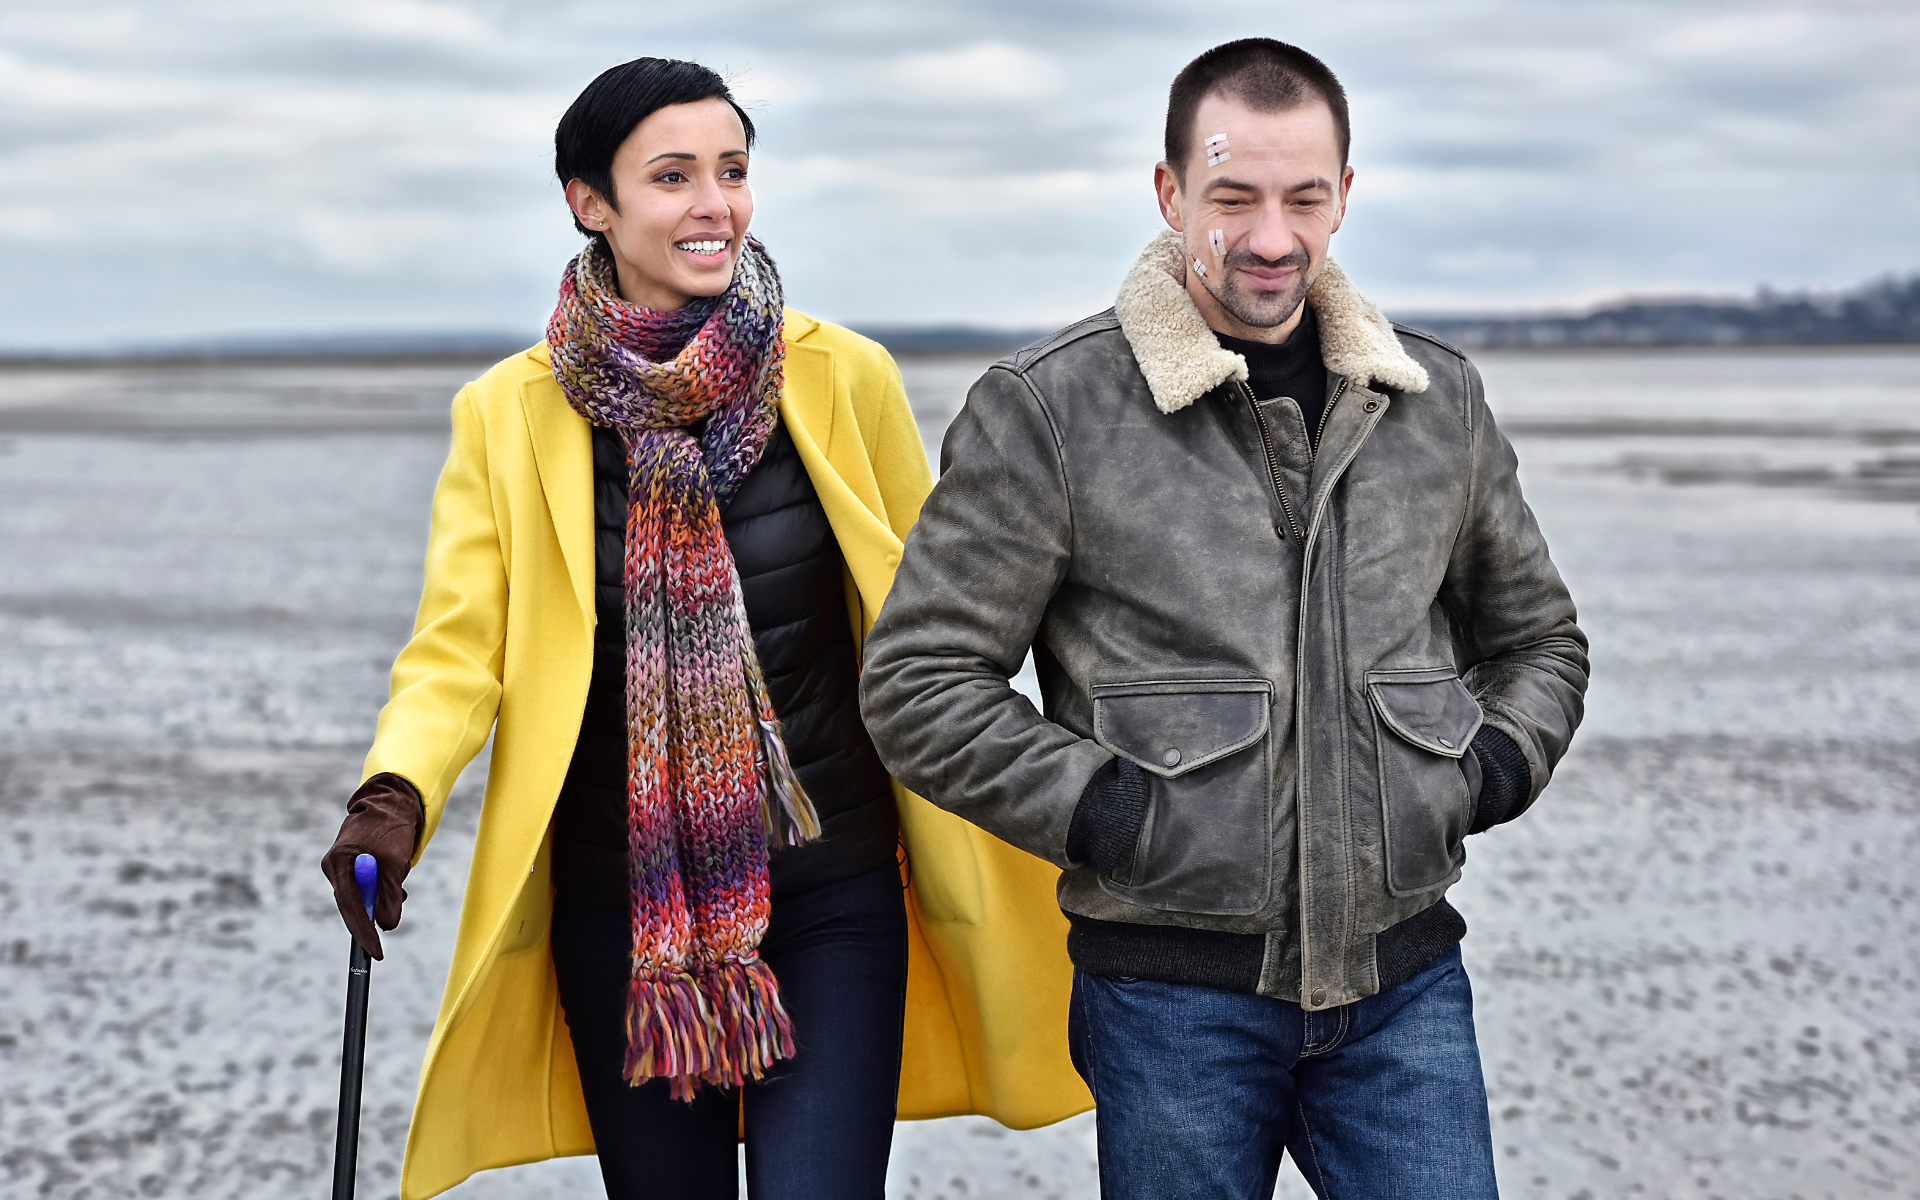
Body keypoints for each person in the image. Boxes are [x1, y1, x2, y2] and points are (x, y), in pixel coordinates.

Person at [320, 58, 1088, 1200]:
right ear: (592, 202)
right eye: (672, 176)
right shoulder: (511, 411)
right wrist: (397, 790)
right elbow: (459, 647)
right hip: (622, 916)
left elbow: (941, 619)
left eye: (731, 172)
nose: (713, 204)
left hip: (832, 890)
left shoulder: (841, 377)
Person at [859, 37, 1590, 1200]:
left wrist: (1486, 771)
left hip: (1405, 992)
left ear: (1346, 195)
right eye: (1233, 197)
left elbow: (1541, 642)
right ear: (1168, 193)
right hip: (1169, 1006)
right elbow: (921, 683)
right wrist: (1113, 812)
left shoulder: (1435, 401)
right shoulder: (1051, 410)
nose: (1270, 237)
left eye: (1305, 198)